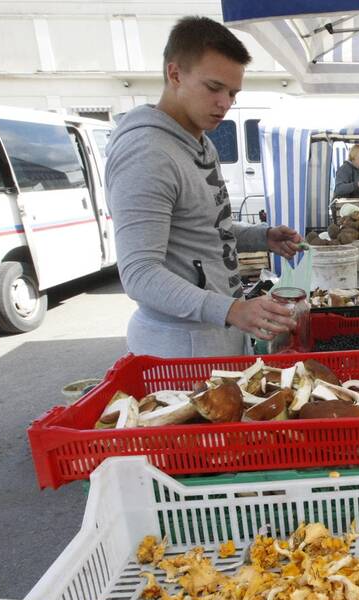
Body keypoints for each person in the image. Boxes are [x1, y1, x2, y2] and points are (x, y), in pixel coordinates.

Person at [106, 16, 302, 358]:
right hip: (179, 349)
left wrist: (261, 235)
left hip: (216, 337)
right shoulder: (147, 153)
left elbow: (202, 226)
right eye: (214, 88)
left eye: (232, 93)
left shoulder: (199, 141)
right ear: (175, 74)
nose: (225, 103)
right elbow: (139, 273)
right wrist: (230, 309)